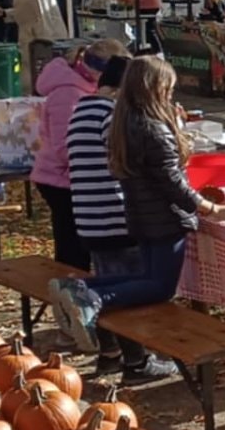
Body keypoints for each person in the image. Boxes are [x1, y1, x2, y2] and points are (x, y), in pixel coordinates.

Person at [50, 56, 225, 351]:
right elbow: (172, 183)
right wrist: (211, 208)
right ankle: (94, 298)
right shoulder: (152, 129)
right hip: (163, 218)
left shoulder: (125, 122)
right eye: (169, 89)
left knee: (145, 277)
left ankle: (82, 287)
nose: (171, 95)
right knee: (160, 287)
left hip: (139, 215)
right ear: (156, 87)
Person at [63, 54, 167, 380]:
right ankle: (137, 361)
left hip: (89, 217)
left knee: (108, 283)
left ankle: (110, 354)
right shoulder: (111, 116)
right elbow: (134, 159)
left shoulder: (81, 110)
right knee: (130, 291)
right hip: (116, 216)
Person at [32, 39, 122, 273]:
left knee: (79, 245)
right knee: (73, 249)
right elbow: (67, 147)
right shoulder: (68, 92)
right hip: (60, 179)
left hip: (74, 177)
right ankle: (70, 287)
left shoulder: (84, 86)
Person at [11, 0, 70, 88]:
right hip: (35, 38)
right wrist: (7, 14)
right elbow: (28, 12)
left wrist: (43, 43)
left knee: (37, 75)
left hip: (38, 40)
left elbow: (43, 17)